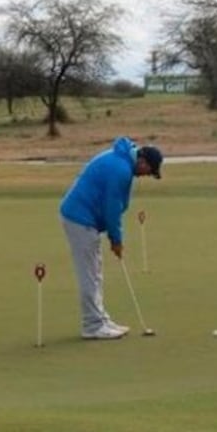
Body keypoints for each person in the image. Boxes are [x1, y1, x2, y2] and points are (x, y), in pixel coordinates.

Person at [59, 137, 162, 340]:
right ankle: (92, 325)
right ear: (142, 161)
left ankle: (100, 320)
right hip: (79, 219)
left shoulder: (123, 161)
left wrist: (114, 237)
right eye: (148, 171)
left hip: (85, 219)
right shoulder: (121, 170)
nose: (145, 175)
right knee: (89, 274)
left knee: (95, 272)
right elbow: (112, 209)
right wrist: (116, 240)